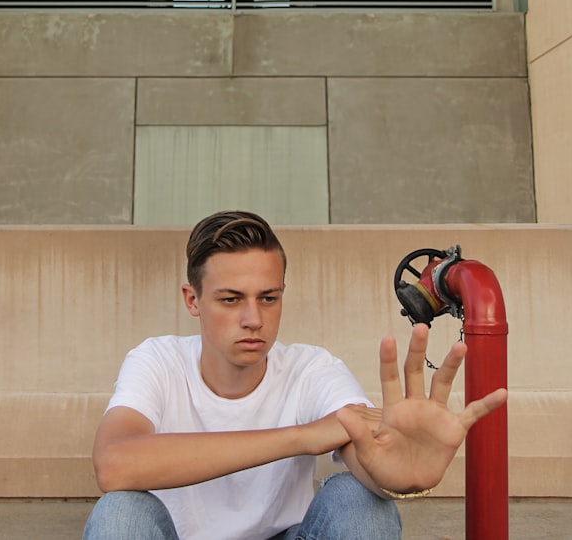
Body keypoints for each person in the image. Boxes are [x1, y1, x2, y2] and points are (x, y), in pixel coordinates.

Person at [83, 210, 507, 540]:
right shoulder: (157, 360)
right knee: (121, 513)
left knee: (359, 502)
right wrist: (302, 437)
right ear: (192, 300)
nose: (253, 319)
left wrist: (399, 473)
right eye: (231, 300)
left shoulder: (312, 369)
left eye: (268, 298)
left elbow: (367, 455)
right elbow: (114, 464)